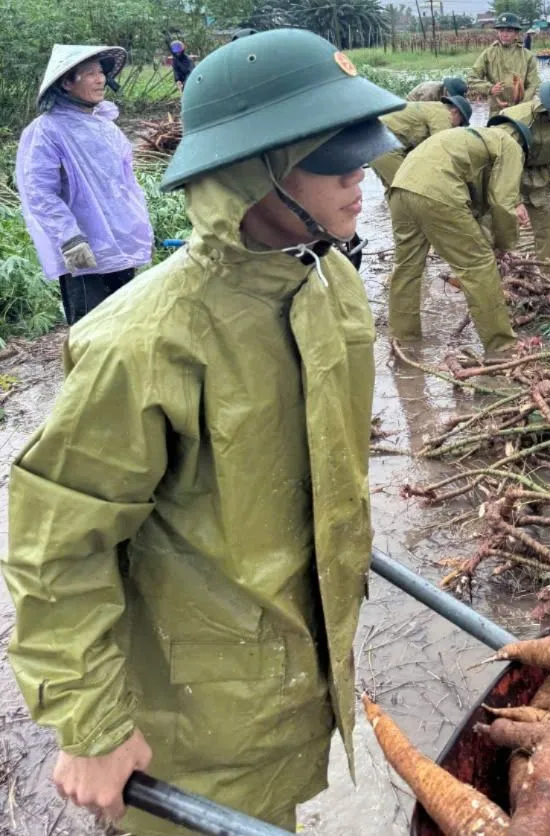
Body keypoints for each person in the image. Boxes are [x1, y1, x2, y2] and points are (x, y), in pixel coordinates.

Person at [2, 28, 405, 835]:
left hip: (295, 674)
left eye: (365, 153)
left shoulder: (327, 282)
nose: (363, 176)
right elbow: (58, 544)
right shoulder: (146, 343)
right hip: (195, 711)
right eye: (335, 159)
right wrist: (92, 727)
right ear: (256, 166)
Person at [15, 45, 153, 326]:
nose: (100, 79)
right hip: (84, 253)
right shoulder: (47, 131)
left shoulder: (107, 127)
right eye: (89, 73)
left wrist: (139, 226)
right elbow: (39, 192)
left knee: (126, 330)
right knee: (91, 334)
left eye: (101, 72)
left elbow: (125, 186)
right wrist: (69, 237)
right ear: (66, 83)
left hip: (120, 245)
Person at [387, 121, 530, 356]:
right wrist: (505, 244)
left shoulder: (471, 138)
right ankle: (502, 347)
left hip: (401, 187)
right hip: (436, 191)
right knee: (478, 265)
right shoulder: (512, 146)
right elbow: (503, 204)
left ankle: (404, 340)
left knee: (407, 267)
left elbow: (477, 207)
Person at [489, 75, 550, 278]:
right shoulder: (516, 121)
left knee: (547, 230)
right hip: (505, 177)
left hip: (537, 179)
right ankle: (495, 276)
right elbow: (500, 165)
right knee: (503, 230)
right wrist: (514, 201)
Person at [371, 95, 472, 188]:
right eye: (460, 123)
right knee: (409, 187)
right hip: (381, 144)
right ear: (455, 112)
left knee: (393, 190)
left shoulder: (432, 108)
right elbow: (441, 149)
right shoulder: (444, 115)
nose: (457, 127)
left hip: (370, 141)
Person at [467, 12, 540, 117]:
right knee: (497, 133)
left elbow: (533, 84)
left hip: (521, 111)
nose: (504, 34)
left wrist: (521, 103)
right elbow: (471, 78)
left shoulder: (527, 56)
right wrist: (490, 88)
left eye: (509, 31)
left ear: (516, 33)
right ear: (498, 32)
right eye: (501, 30)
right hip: (497, 111)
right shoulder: (488, 54)